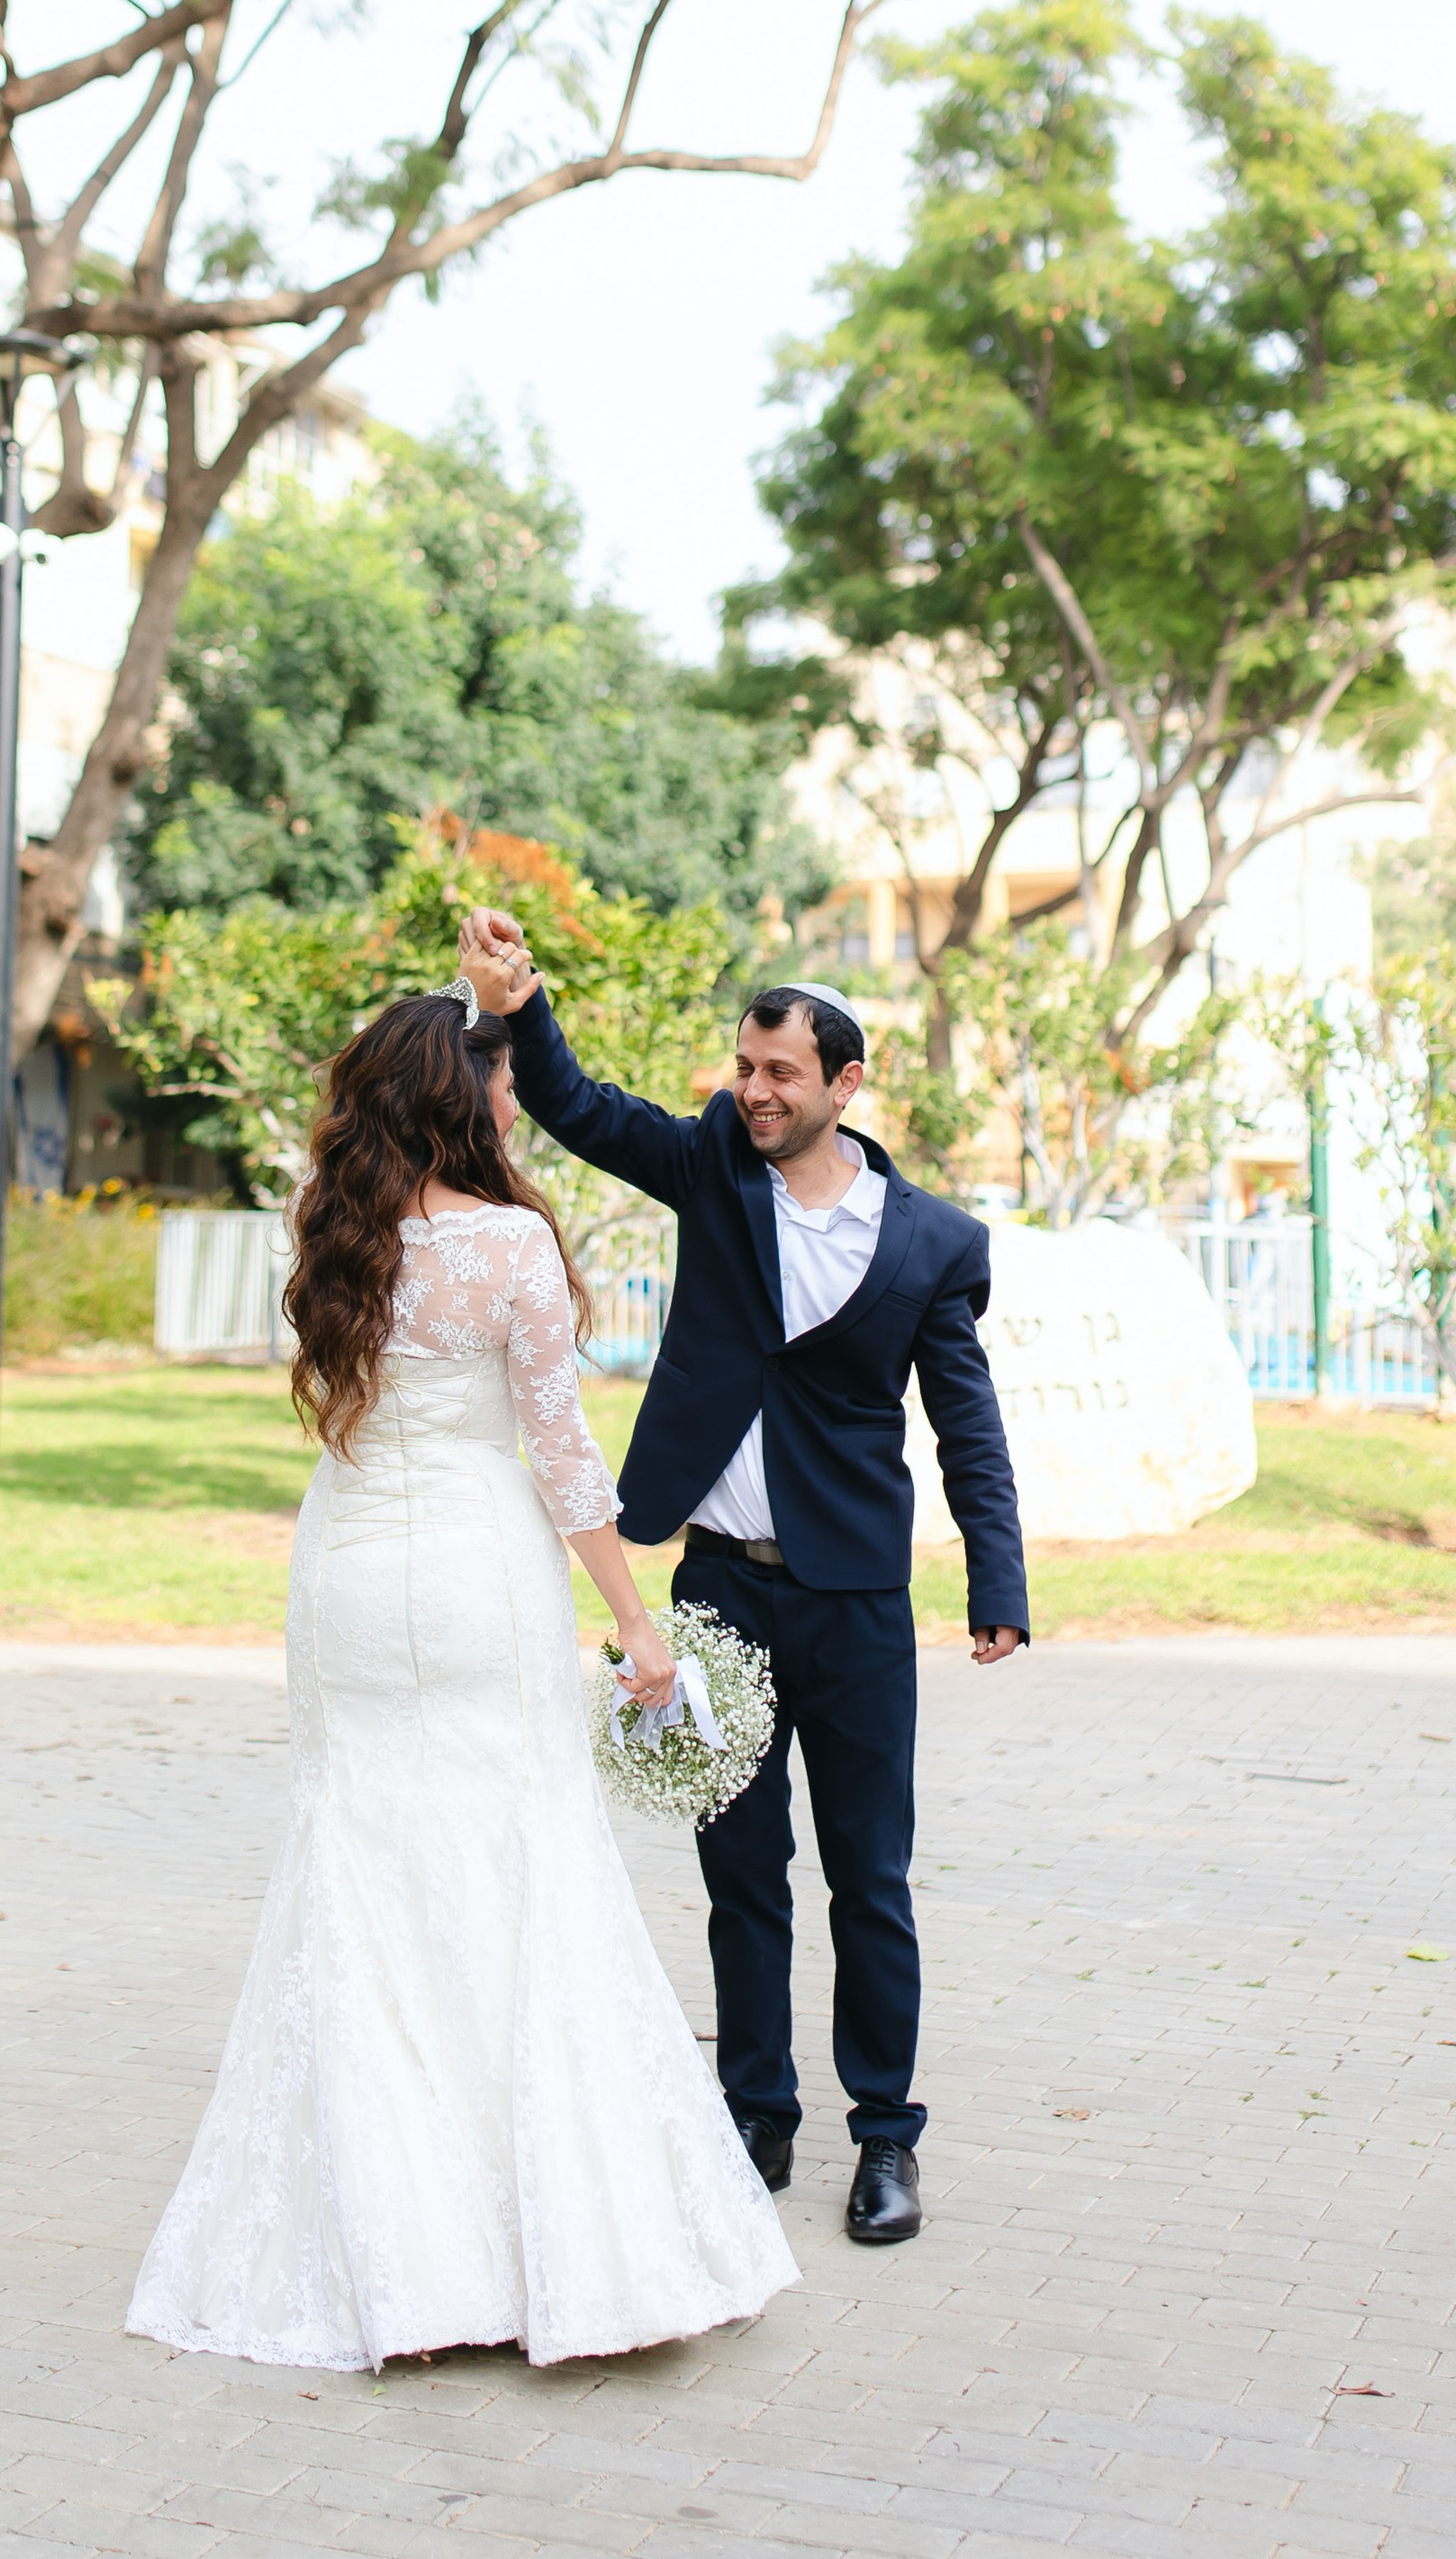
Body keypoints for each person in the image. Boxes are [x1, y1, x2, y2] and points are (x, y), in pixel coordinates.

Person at [126, 982, 797, 2374]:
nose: (514, 1098)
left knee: (362, 1867)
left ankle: (397, 2250)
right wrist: (636, 1622)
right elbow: (561, 1456)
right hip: (482, 1570)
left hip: (354, 1570)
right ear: (459, 1097)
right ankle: (552, 2244)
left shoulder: (325, 1233)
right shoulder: (512, 1247)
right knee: (522, 1858)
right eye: (495, 1080)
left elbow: (348, 1408)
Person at [458, 912, 1029, 2250]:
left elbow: (970, 1425)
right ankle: (753, 2118)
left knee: (867, 1879)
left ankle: (885, 2139)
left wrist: (994, 1578)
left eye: (782, 1073)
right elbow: (579, 1107)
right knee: (743, 1875)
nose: (755, 1093)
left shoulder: (934, 1244)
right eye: (744, 1068)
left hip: (856, 1604)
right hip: (720, 1590)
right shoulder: (710, 1165)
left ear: (845, 1084)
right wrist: (521, 1000)